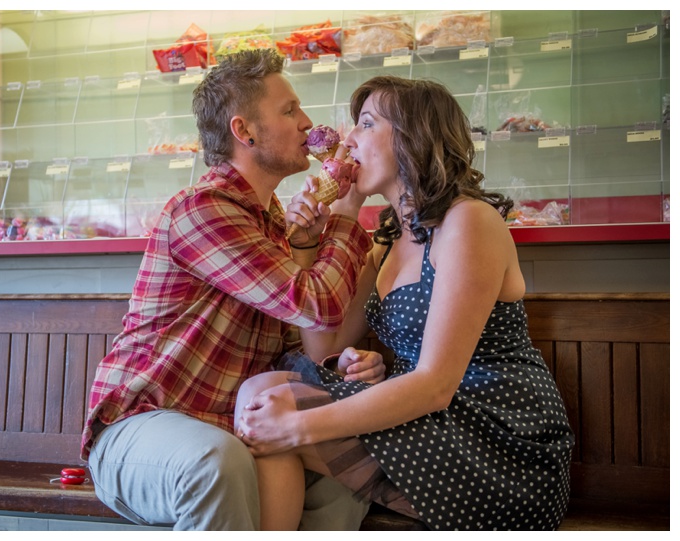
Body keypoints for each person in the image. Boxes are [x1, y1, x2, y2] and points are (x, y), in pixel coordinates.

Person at [235, 76, 575, 531]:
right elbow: (324, 347)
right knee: (263, 399)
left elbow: (436, 384)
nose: (347, 139)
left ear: (416, 139)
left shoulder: (468, 222)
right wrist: (314, 236)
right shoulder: (389, 239)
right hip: (431, 422)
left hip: (496, 439)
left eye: (368, 124)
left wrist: (298, 427)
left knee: (273, 407)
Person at [81, 48, 386, 531]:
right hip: (142, 426)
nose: (308, 122)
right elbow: (316, 304)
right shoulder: (203, 210)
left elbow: (289, 343)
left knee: (345, 472)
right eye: (289, 110)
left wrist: (338, 363)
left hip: (231, 424)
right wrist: (347, 216)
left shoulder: (275, 224)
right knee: (217, 462)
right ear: (244, 132)